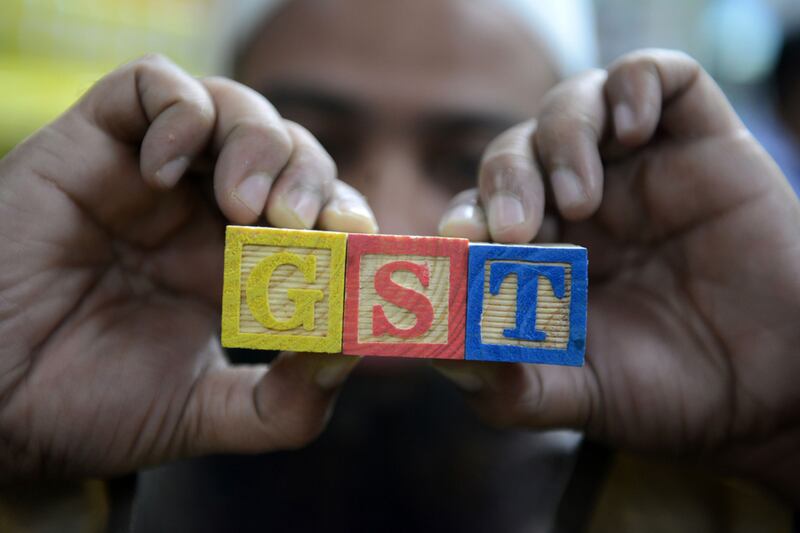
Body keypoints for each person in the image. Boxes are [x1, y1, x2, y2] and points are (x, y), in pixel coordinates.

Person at [0, 0, 798, 528]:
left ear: (575, 185)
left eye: (469, 162)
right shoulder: (52, 451)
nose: (384, 226)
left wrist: (786, 423)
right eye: (314, 143)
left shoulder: (728, 483)